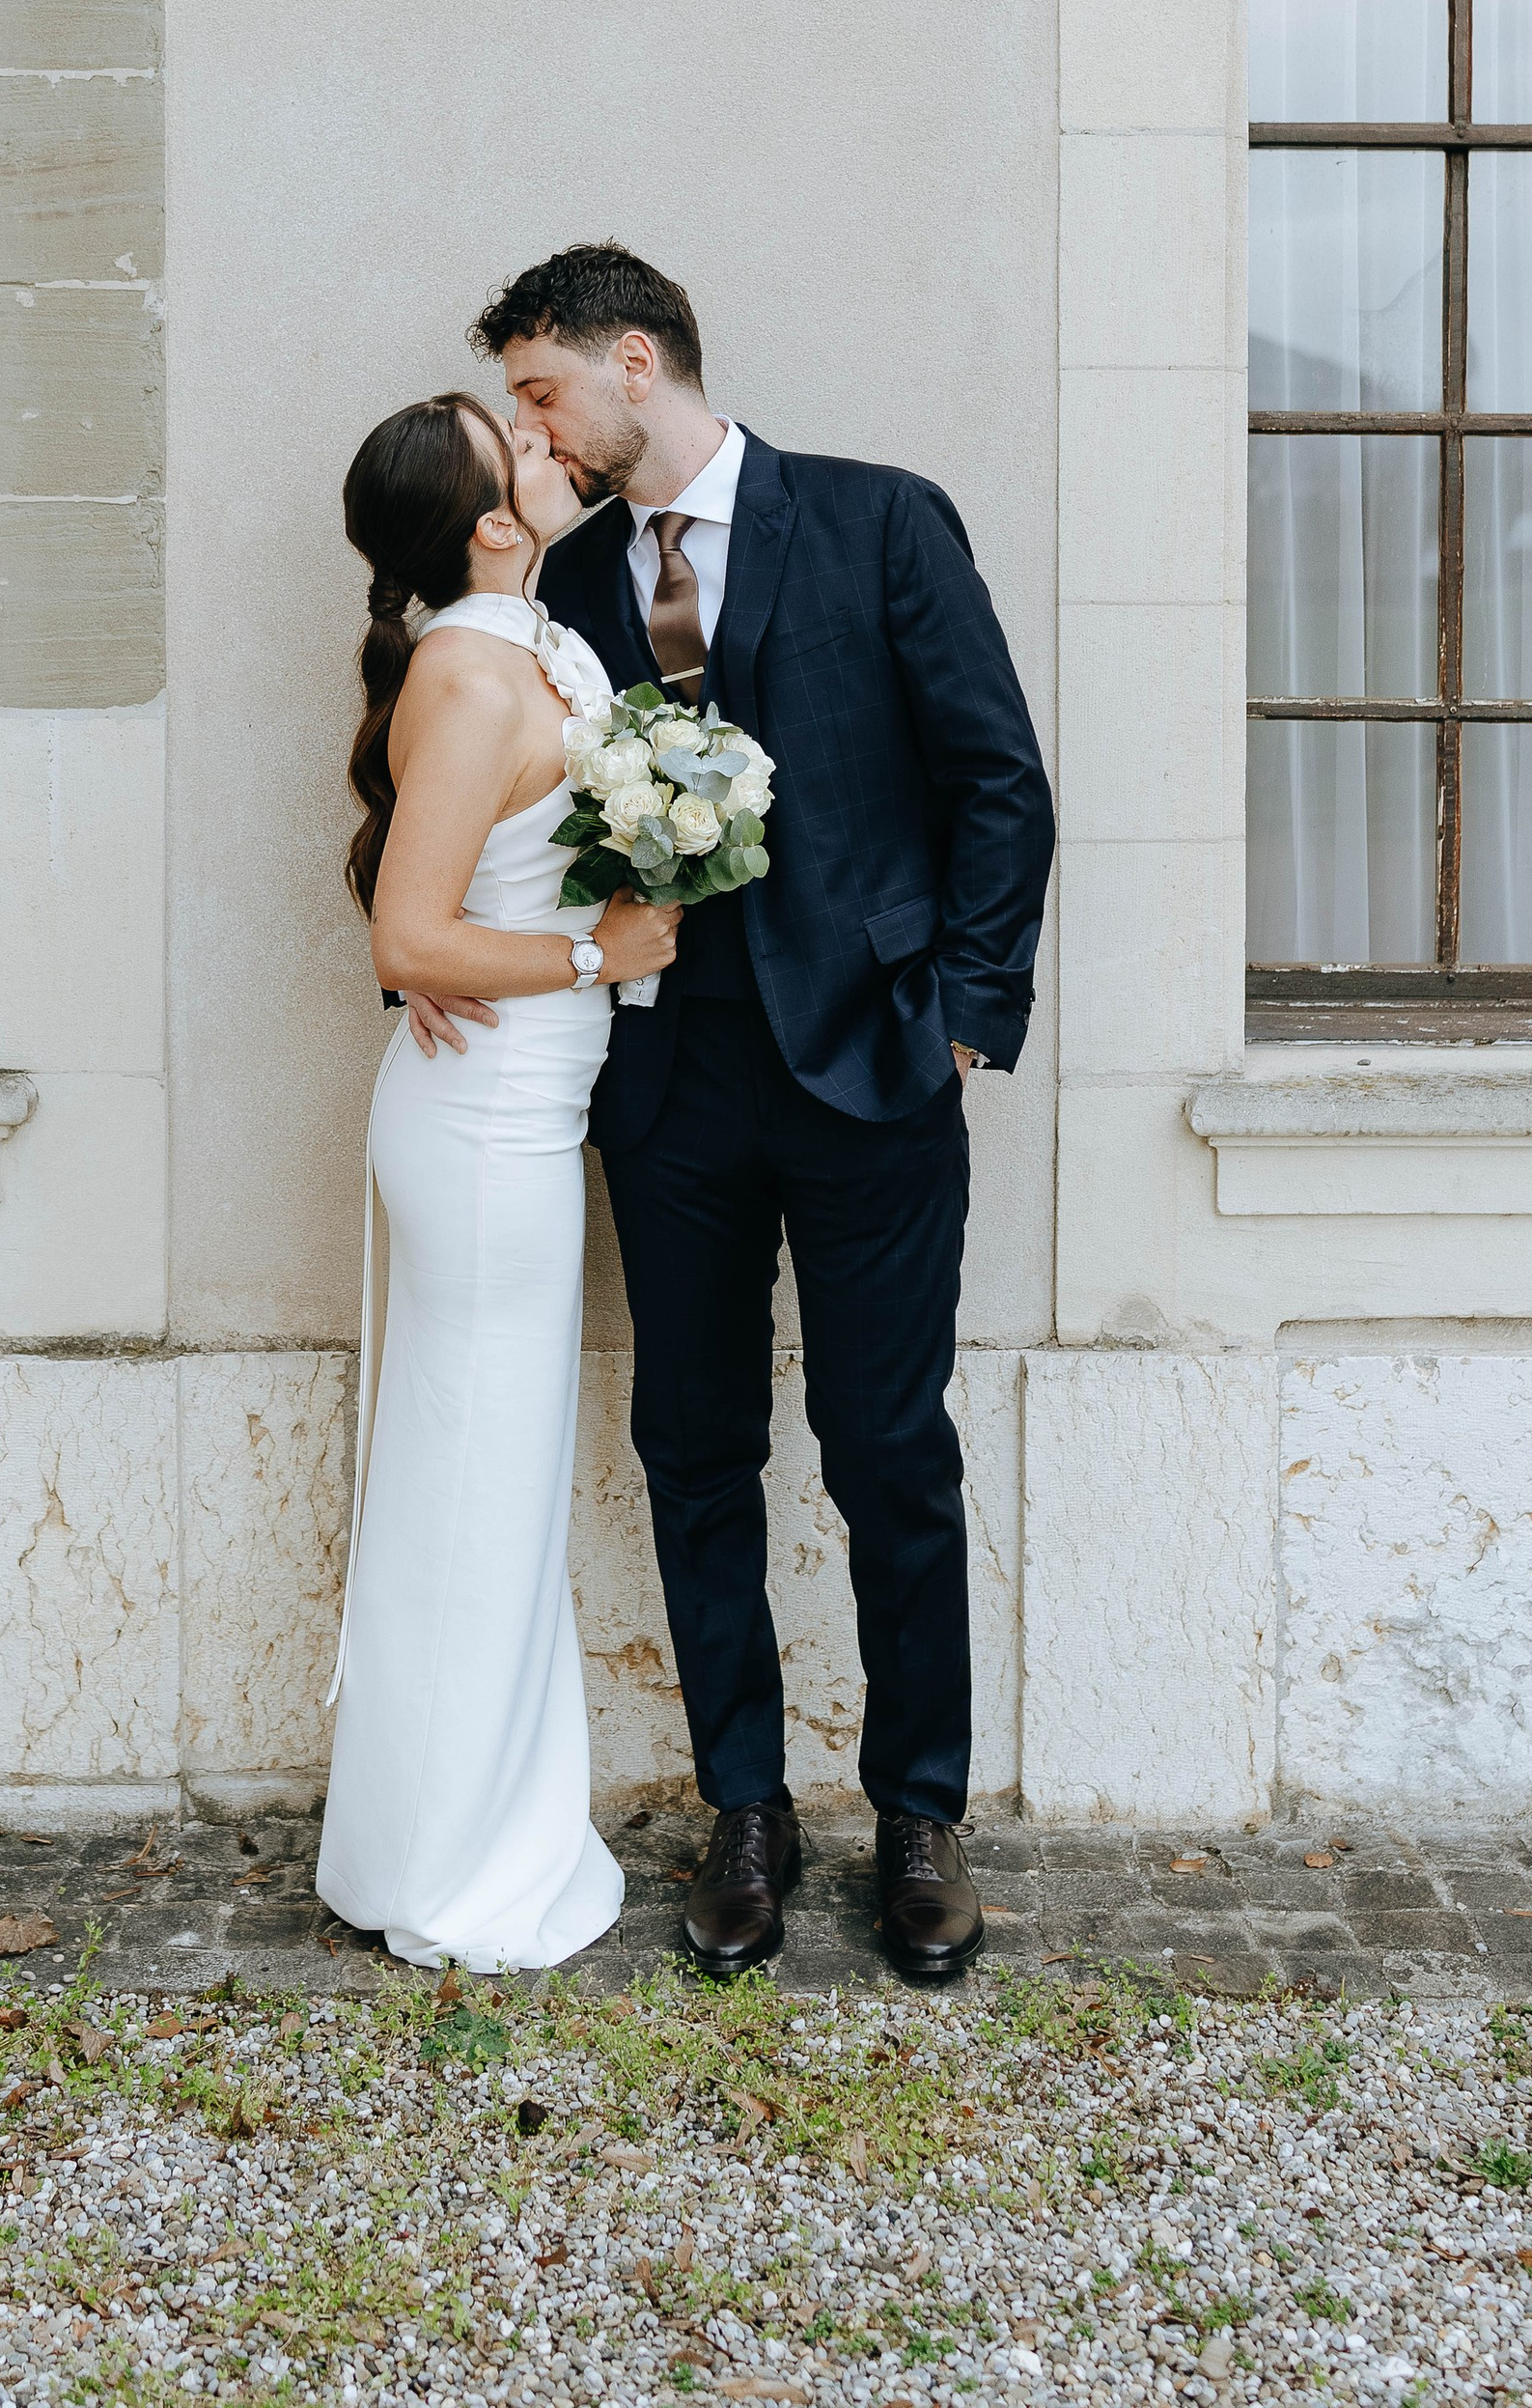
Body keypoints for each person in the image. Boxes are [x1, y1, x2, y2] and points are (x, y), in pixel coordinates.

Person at [412, 241, 1053, 1984]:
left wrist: (966, 1025)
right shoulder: (564, 596)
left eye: (543, 391)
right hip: (667, 1088)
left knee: (888, 1447)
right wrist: (431, 949)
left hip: (875, 1076)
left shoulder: (880, 519)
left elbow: (997, 778)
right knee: (695, 1451)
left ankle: (920, 1815)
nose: (531, 430)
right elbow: (464, 782)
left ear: (638, 360)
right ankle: (745, 1811)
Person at [316, 388, 679, 1972]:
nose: (549, 440)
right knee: (475, 1494)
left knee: (495, 1489)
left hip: (529, 1113)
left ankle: (451, 1831)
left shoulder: (538, 642)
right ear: (490, 520)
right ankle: (452, 1867)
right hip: (481, 1136)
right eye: (518, 440)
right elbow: (410, 942)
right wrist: (609, 948)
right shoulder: (469, 676)